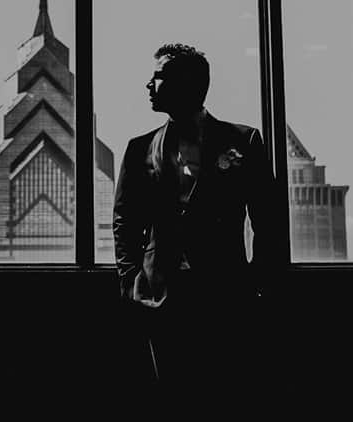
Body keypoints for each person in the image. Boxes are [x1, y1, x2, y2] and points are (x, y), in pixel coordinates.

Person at [112, 43, 278, 393]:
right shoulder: (139, 148)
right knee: (170, 395)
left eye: (157, 77)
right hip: (159, 294)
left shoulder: (244, 141)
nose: (148, 86)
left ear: (186, 84)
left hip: (225, 293)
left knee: (223, 394)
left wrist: (259, 281)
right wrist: (131, 281)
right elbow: (125, 221)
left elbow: (267, 216)